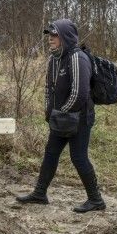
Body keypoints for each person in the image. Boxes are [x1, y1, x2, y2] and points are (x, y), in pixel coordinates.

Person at [16, 18, 106, 213]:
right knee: (50, 153)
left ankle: (96, 200)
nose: (50, 38)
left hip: (80, 118)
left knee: (79, 157)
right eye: (49, 34)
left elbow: (80, 93)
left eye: (54, 34)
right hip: (61, 117)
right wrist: (50, 112)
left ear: (65, 36)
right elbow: (49, 88)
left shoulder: (78, 58)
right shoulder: (54, 59)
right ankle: (40, 194)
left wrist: (62, 111)